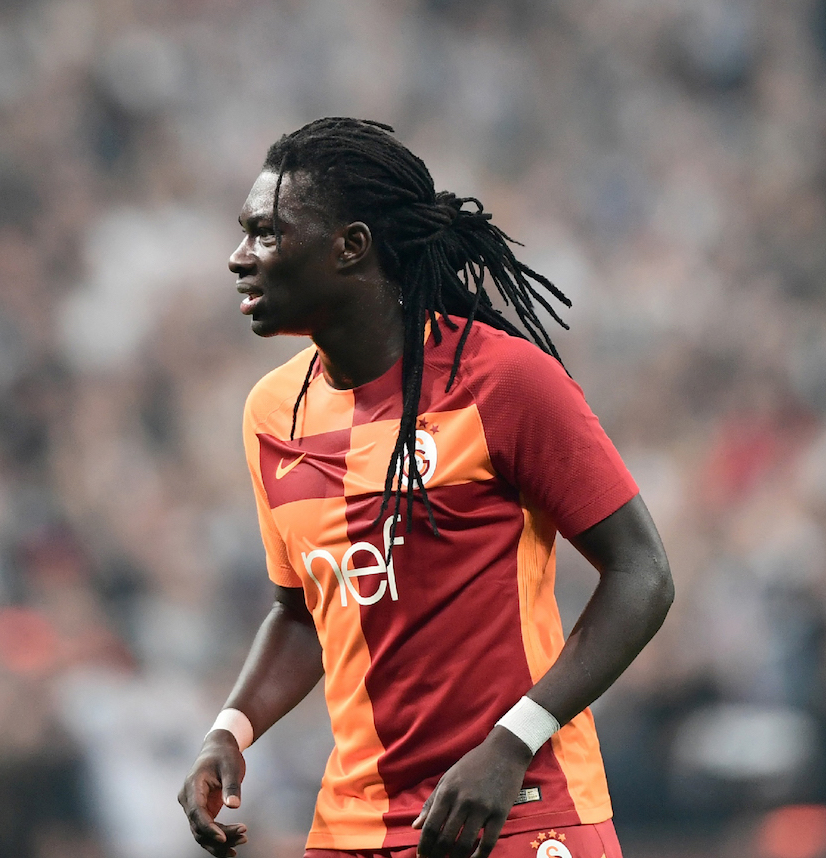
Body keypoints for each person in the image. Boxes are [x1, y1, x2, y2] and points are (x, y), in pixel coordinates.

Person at [178, 119, 675, 858]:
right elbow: (302, 610)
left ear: (351, 246)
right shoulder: (270, 412)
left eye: (266, 233)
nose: (239, 258)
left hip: (516, 810)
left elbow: (643, 574)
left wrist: (515, 742)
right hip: (354, 830)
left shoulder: (503, 381)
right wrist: (231, 729)